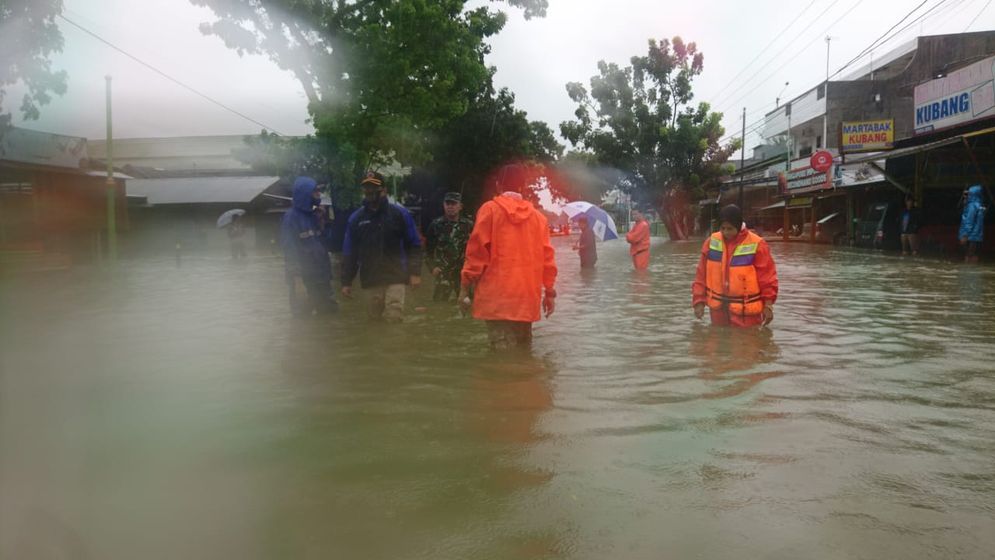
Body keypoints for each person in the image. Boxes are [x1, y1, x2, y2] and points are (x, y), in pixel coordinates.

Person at [458, 164, 557, 350]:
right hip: (527, 300)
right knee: (523, 355)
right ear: (523, 187)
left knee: (502, 362)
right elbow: (548, 260)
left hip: (497, 301)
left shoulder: (489, 210)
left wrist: (464, 288)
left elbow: (476, 253)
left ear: (498, 186)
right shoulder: (538, 219)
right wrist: (550, 293)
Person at [341, 171, 423, 322]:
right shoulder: (356, 219)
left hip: (396, 277)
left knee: (394, 318)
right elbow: (350, 252)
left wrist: (415, 273)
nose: (369, 192)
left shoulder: (400, 214)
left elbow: (414, 245)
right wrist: (346, 281)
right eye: (366, 188)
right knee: (374, 322)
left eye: (373, 188)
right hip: (371, 278)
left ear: (384, 190)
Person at [692, 204, 778, 328]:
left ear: (738, 226)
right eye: (723, 228)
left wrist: (768, 305)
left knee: (748, 345)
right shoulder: (711, 242)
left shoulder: (758, 244)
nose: (726, 232)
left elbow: (767, 278)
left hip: (747, 314)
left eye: (730, 228)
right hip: (718, 311)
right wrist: (698, 301)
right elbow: (701, 275)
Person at [281, 176, 337, 315]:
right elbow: (289, 248)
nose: (319, 194)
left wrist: (324, 223)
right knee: (302, 321)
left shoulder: (315, 216)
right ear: (305, 193)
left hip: (322, 276)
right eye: (315, 191)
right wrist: (296, 276)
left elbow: (327, 244)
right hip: (303, 278)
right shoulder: (291, 218)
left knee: (330, 315)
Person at [425, 192, 474, 302]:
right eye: (448, 203)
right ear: (443, 205)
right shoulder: (436, 225)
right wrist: (432, 267)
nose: (450, 207)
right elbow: (428, 250)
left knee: (467, 306)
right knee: (440, 308)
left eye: (454, 203)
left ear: (460, 206)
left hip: (463, 273)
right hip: (443, 273)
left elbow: (476, 249)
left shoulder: (469, 225)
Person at [959, 185, 986, 263]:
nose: (967, 196)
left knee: (969, 256)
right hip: (976, 236)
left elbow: (969, 221)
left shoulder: (972, 206)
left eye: (969, 194)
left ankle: (968, 270)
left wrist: (965, 235)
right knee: (973, 255)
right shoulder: (979, 205)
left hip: (970, 236)